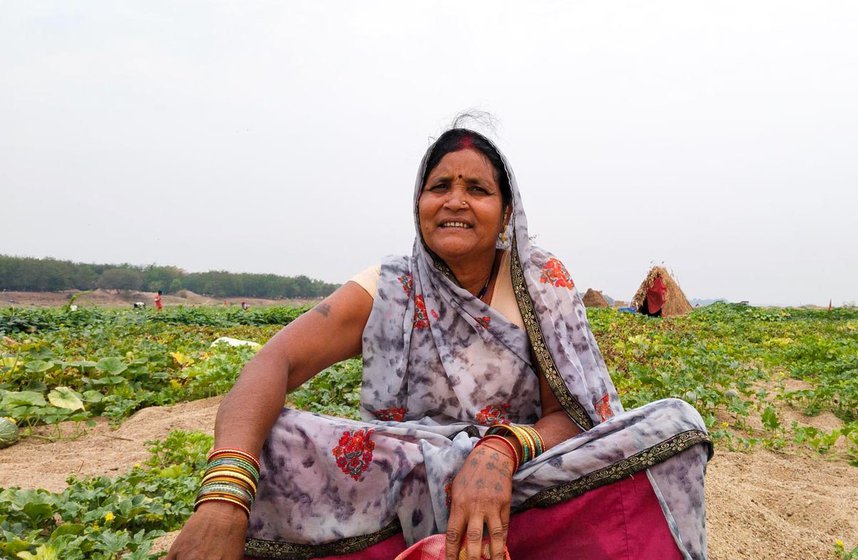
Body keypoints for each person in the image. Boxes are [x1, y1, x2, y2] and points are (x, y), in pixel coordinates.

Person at [165, 127, 711, 560]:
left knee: (677, 427)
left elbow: (572, 415)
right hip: (407, 479)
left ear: (505, 213)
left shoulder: (543, 283)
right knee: (271, 434)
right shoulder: (390, 286)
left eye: (477, 189)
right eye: (439, 187)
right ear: (419, 202)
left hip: (522, 480)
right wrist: (223, 497)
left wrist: (498, 450)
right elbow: (274, 360)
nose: (455, 202)